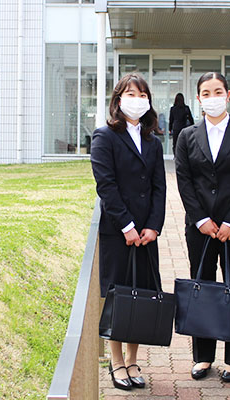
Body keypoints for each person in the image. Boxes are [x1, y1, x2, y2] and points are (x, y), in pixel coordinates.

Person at [174, 72, 230, 383]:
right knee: (203, 286)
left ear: (228, 94)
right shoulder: (187, 135)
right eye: (206, 93)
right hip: (200, 226)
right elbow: (184, 179)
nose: (212, 98)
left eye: (218, 91)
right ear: (198, 98)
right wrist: (200, 219)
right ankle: (203, 356)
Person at [90, 73, 167, 391]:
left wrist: (153, 226)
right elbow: (106, 186)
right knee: (119, 296)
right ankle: (116, 360)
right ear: (118, 100)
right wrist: (127, 226)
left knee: (142, 295)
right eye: (131, 94)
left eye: (142, 95)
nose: (137, 100)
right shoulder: (105, 136)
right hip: (118, 232)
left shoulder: (153, 142)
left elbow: (159, 188)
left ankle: (133, 360)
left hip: (146, 234)